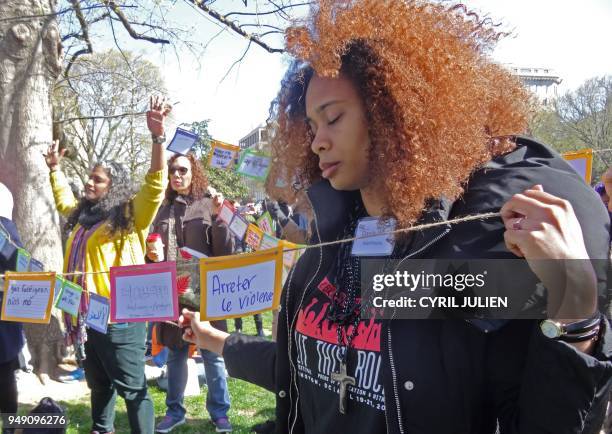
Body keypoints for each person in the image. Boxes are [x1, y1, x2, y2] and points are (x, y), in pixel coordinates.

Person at [177, 1, 611, 433]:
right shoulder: (325, 250)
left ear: (394, 112)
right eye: (311, 126)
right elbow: (306, 371)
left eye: (333, 118)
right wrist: (214, 339)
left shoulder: (468, 257)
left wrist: (575, 312)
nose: (317, 143)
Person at [44, 95, 171, 434]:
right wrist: (55, 169)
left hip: (120, 320)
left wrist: (158, 138)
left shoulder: (130, 216)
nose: (89, 182)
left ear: (113, 187)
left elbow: (156, 185)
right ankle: (102, 429)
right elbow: (63, 201)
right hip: (87, 319)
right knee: (99, 385)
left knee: (133, 389)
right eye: (89, 177)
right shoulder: (83, 217)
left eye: (97, 179)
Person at [147, 152, 234, 433]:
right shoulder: (161, 209)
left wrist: (221, 218)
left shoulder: (209, 203)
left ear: (193, 172)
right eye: (173, 170)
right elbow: (151, 256)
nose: (177, 175)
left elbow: (225, 251)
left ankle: (220, 412)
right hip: (171, 293)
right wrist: (152, 255)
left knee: (213, 353)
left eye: (183, 170)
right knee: (175, 353)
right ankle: (175, 411)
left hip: (207, 293)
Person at [0, 183, 25, 428]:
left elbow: (18, 262)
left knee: (4, 370)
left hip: (2, 315)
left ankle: (9, 426)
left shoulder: (4, 230)